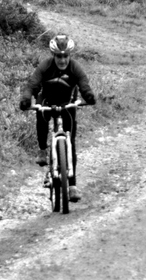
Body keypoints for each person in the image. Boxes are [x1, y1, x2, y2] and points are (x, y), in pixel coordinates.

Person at [19, 35, 96, 203]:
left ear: (70, 55)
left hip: (67, 104)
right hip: (47, 102)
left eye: (65, 56)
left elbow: (83, 83)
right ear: (53, 55)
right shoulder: (45, 66)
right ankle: (42, 150)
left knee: (71, 143)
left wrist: (88, 96)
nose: (62, 60)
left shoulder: (75, 67)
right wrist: (26, 99)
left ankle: (72, 186)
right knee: (40, 114)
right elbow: (33, 84)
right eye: (59, 56)